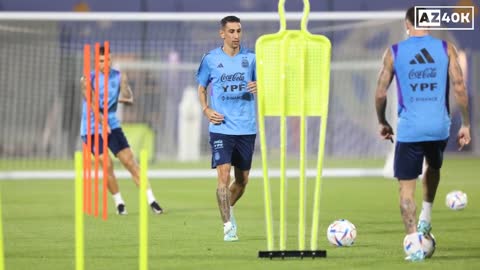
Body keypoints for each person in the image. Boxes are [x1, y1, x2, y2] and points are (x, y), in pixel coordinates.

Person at [375, 7, 471, 261]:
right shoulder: (446, 48)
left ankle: (413, 243)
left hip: (409, 129)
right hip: (439, 127)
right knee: (434, 167)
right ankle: (426, 218)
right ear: (428, 24)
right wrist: (466, 124)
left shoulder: (394, 52)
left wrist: (382, 121)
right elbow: (459, 86)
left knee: (406, 189)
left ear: (408, 24)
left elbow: (381, 93)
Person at [80, 46, 163, 215]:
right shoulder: (87, 79)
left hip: (112, 125)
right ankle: (119, 203)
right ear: (96, 62)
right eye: (102, 61)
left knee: (130, 162)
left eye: (108, 60)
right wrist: (103, 124)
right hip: (92, 129)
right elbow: (94, 106)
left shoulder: (118, 76)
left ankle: (152, 200)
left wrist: (124, 90)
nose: (106, 63)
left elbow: (128, 97)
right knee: (107, 164)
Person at [196, 15, 257, 242]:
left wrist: (260, 85)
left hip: (246, 127)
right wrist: (206, 110)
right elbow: (201, 88)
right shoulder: (211, 59)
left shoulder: (251, 58)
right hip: (221, 126)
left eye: (239, 31)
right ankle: (228, 227)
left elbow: (267, 85)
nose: (236, 36)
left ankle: (227, 209)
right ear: (222, 33)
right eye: (231, 31)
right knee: (223, 175)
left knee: (242, 181)